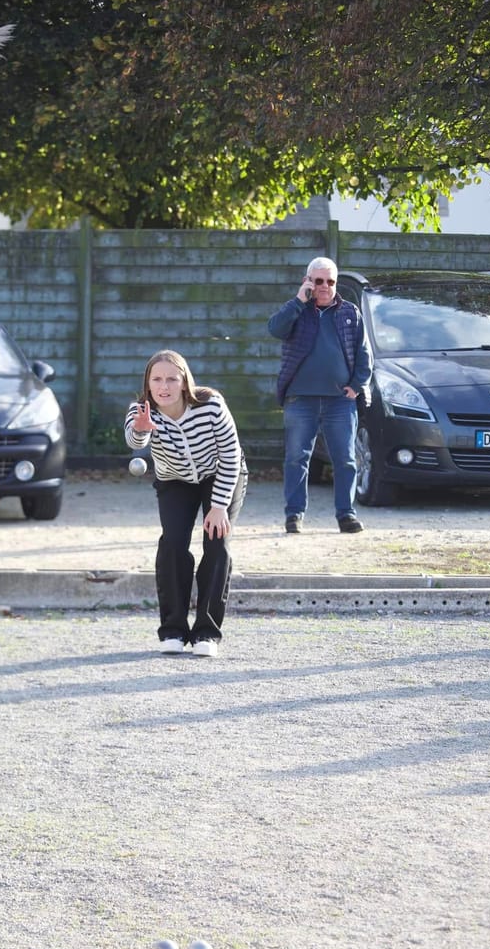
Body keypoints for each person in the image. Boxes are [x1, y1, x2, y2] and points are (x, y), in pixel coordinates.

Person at [125, 349, 247, 657]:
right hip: (174, 480)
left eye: (171, 379)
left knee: (217, 543)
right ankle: (173, 630)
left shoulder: (211, 406)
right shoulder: (141, 410)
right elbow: (135, 439)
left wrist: (218, 506)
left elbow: (231, 456)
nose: (163, 386)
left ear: (183, 382)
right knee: (173, 545)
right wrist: (141, 431)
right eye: (156, 380)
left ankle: (207, 632)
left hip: (220, 474)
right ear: (148, 383)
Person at [267, 256, 372, 534]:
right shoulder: (296, 310)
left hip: (340, 401)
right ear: (308, 281)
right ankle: (294, 515)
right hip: (301, 400)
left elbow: (364, 355)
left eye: (330, 281)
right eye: (318, 280)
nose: (325, 286)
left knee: (346, 459)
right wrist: (299, 301)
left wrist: (357, 385)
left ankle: (346, 515)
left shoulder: (350, 313)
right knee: (296, 459)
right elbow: (275, 329)